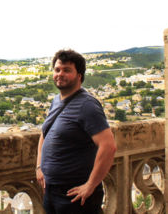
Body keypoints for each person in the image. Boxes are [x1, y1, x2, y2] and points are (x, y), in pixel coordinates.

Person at [36, 49, 117, 214]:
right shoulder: (56, 101)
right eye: (57, 69)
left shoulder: (87, 105)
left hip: (74, 195)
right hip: (51, 191)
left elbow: (108, 146)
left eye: (67, 70)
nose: (60, 74)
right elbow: (45, 133)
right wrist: (39, 167)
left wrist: (90, 185)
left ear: (79, 76)